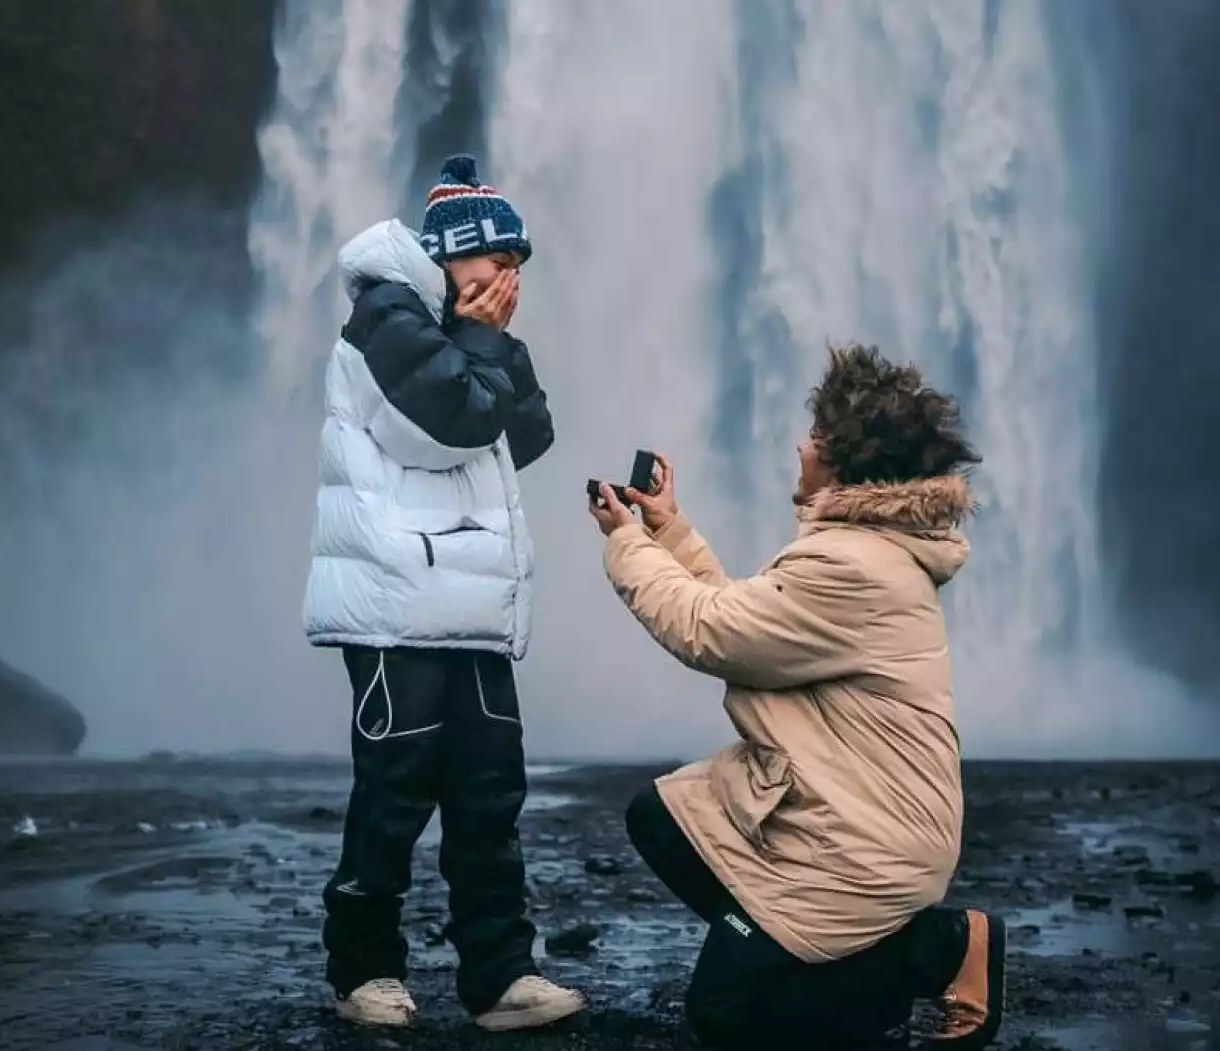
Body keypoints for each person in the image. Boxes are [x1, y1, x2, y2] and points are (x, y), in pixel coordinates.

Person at [589, 343, 1005, 1050]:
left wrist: (627, 543)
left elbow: (706, 629)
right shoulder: (860, 553)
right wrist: (667, 530)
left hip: (868, 841)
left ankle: (937, 949)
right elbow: (753, 626)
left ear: (844, 460)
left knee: (725, 1015)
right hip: (851, 809)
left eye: (815, 437)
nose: (799, 445)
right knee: (659, 815)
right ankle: (811, 963)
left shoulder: (853, 564)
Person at [303, 154, 585, 1032]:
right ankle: (364, 970)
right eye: (495, 263)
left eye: (516, 269)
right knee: (393, 794)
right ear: (450, 257)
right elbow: (456, 421)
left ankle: (501, 976)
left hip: (472, 611)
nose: (507, 283)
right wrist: (483, 345)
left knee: (489, 798)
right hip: (397, 611)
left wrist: (487, 342)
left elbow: (526, 430)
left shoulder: (459, 330)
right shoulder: (386, 316)